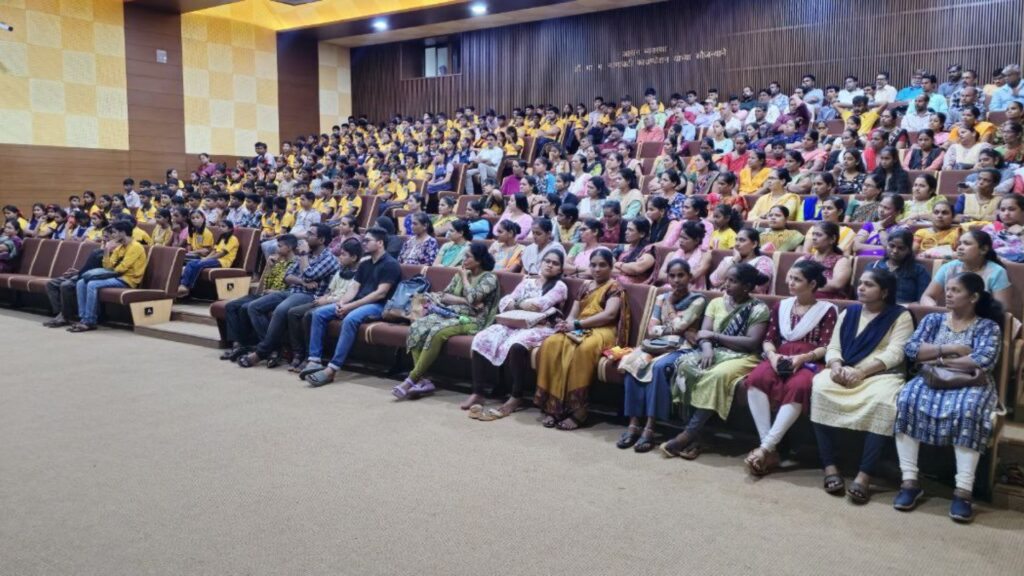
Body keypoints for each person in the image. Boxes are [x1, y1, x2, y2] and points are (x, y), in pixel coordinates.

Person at [893, 272, 1003, 523]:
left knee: (969, 410)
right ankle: (909, 482)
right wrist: (949, 352)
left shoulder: (988, 326)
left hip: (971, 383)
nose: (948, 294)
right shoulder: (933, 320)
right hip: (932, 379)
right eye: (948, 289)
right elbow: (911, 350)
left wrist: (933, 358)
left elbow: (982, 360)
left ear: (973, 297)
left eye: (955, 290)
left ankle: (963, 491)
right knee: (907, 399)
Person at [810, 268, 914, 503]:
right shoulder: (850, 312)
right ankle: (829, 466)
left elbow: (896, 353)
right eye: (861, 283)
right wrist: (835, 365)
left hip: (880, 374)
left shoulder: (900, 316)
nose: (861, 288)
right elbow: (833, 345)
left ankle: (864, 475)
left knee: (883, 401)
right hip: (845, 369)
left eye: (869, 285)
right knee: (820, 386)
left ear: (885, 291)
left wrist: (861, 372)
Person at [660, 263, 771, 459]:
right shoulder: (716, 303)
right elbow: (703, 334)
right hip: (714, 351)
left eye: (732, 281)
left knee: (716, 375)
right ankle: (698, 437)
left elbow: (751, 342)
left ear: (746, 286)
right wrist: (707, 348)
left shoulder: (758, 308)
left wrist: (715, 337)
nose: (726, 284)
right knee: (685, 367)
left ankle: (688, 434)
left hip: (744, 357)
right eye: (726, 279)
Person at [744, 260, 838, 475]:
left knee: (799, 386)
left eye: (797, 279)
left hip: (811, 359)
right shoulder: (782, 305)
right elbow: (769, 338)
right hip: (781, 355)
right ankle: (769, 447)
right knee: (756, 379)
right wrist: (773, 356)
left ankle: (765, 448)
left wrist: (802, 359)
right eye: (790, 278)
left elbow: (826, 345)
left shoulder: (827, 310)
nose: (791, 283)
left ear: (813, 284)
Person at [618, 260, 708, 452]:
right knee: (633, 361)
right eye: (672, 276)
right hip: (657, 345)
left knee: (658, 368)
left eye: (681, 275)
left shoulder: (698, 300)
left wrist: (672, 315)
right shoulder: (661, 296)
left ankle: (650, 427)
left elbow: (680, 326)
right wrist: (675, 327)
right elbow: (652, 329)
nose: (676, 280)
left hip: (683, 347)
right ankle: (633, 423)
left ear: (690, 277)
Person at [466, 251, 569, 418]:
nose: (550, 265)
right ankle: (478, 392)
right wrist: (520, 304)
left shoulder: (559, 286)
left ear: (560, 269)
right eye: (547, 261)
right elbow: (504, 302)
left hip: (541, 326)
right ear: (540, 263)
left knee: (516, 346)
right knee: (482, 338)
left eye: (555, 263)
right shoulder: (527, 282)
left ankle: (516, 395)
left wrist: (516, 304)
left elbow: (540, 305)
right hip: (514, 322)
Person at [535, 249, 630, 430]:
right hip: (579, 326)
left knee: (583, 349)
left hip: (603, 330)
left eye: (602, 265)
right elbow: (572, 314)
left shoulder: (614, 287)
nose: (597, 269)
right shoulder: (585, 285)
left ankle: (579, 410)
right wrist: (566, 325)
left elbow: (609, 315)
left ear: (611, 267)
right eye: (593, 265)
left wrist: (577, 325)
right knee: (552, 343)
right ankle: (553, 406)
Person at [392, 243, 500, 399]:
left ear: (479, 260)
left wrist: (464, 279)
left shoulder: (489, 278)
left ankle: (411, 380)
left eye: (468, 256)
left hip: (474, 320)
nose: (464, 259)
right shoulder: (459, 274)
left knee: (437, 331)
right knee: (417, 326)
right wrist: (464, 301)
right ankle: (422, 379)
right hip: (450, 313)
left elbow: (473, 296)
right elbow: (445, 296)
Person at [300, 226, 402, 386]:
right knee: (318, 313)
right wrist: (342, 302)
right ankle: (314, 360)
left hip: (379, 305)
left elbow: (380, 294)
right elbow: (354, 287)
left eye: (368, 240)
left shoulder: (391, 264)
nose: (364, 243)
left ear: (380, 243)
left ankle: (332, 369)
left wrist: (350, 306)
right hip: (359, 302)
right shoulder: (365, 263)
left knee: (350, 319)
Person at [239, 224, 340, 368]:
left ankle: (261, 352)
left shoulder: (329, 258)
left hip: (311, 296)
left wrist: (304, 258)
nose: (305, 237)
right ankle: (273, 348)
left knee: (281, 309)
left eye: (310, 234)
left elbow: (309, 274)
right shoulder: (306, 254)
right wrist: (303, 282)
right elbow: (288, 276)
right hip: (295, 291)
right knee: (254, 307)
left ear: (321, 239)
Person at [285, 238, 363, 372]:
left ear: (354, 257)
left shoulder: (360, 274)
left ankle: (311, 357)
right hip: (327, 300)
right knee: (293, 312)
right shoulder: (341, 270)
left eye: (344, 254)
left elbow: (350, 297)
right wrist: (324, 298)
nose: (340, 256)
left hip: (339, 304)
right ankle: (298, 352)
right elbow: (330, 290)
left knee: (309, 315)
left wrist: (327, 300)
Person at [220, 234, 298, 362]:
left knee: (245, 307)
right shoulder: (277, 261)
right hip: (265, 294)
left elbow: (295, 289)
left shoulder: (296, 263)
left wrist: (275, 291)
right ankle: (238, 344)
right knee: (231, 305)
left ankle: (268, 346)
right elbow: (267, 282)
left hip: (281, 296)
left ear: (289, 248)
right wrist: (269, 267)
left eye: (280, 246)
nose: (277, 249)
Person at [68, 221, 148, 333]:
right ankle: (83, 318)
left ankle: (90, 321)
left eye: (114, 232)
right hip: (116, 276)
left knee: (92, 284)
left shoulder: (136, 247)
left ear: (123, 233)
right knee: (81, 282)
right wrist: (106, 250)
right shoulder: (120, 247)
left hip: (128, 280)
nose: (113, 235)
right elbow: (107, 266)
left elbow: (122, 268)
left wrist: (110, 270)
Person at [921, 230, 1011, 311]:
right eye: (960, 243)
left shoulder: (997, 272)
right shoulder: (948, 268)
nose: (960, 247)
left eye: (967, 244)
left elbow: (1001, 309)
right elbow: (927, 296)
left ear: (983, 249)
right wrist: (937, 311)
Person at [865, 229, 932, 304]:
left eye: (901, 248)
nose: (895, 251)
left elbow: (923, 300)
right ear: (887, 245)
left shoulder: (919, 270)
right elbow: (864, 294)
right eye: (892, 246)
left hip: (905, 311)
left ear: (909, 250)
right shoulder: (873, 266)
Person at [176, 220, 239, 298]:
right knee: (191, 263)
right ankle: (182, 285)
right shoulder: (222, 238)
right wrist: (206, 258)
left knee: (199, 264)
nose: (220, 228)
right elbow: (214, 251)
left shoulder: (233, 239)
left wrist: (207, 259)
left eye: (223, 226)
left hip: (223, 261)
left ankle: (187, 287)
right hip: (214, 259)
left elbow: (221, 254)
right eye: (219, 226)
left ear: (230, 229)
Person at [709, 227, 774, 294]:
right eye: (736, 240)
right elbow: (715, 281)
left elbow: (759, 288)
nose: (737, 244)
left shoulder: (763, 261)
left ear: (754, 244)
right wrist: (735, 260)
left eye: (742, 240)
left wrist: (728, 285)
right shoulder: (728, 260)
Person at [797, 221, 853, 299]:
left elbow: (837, 284)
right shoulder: (805, 258)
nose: (813, 238)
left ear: (832, 239)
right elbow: (789, 279)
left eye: (819, 235)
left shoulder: (841, 261)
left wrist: (803, 282)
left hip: (828, 300)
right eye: (813, 234)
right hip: (803, 298)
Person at [659, 221, 712, 291]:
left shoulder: (705, 255)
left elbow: (694, 276)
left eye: (685, 238)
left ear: (696, 240)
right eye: (680, 237)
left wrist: (672, 276)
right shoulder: (671, 254)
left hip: (694, 291)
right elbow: (660, 276)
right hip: (669, 289)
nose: (681, 240)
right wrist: (680, 278)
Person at [613, 218, 657, 285]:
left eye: (630, 230)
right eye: (627, 229)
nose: (626, 232)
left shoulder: (648, 251)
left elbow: (638, 268)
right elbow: (609, 263)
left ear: (642, 234)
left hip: (636, 285)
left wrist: (619, 264)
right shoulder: (622, 247)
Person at [982, 195, 1024, 263]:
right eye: (1002, 210)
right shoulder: (991, 229)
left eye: (1012, 209)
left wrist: (1021, 233)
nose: (1006, 213)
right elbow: (979, 251)